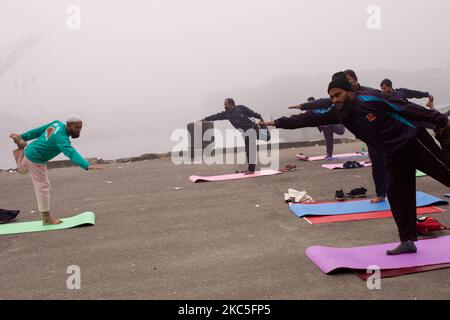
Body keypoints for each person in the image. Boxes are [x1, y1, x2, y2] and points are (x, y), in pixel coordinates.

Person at [260, 72, 450, 256]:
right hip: (393, 153)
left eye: (338, 94)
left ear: (350, 91)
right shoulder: (339, 112)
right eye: (331, 96)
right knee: (397, 194)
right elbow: (310, 118)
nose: (335, 100)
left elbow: (407, 107)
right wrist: (277, 123)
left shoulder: (371, 99)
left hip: (413, 142)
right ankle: (407, 241)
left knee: (446, 174)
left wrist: (440, 120)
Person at [289, 70, 387, 203]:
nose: (348, 83)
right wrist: (303, 106)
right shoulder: (341, 95)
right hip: (371, 137)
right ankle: (381, 193)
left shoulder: (369, 93)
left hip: (385, 133)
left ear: (356, 79)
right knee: (377, 164)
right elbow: (323, 102)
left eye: (349, 80)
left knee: (392, 164)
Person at [9, 115, 101, 225]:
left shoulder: (56, 124)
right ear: (69, 125)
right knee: (43, 186)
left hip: (29, 151)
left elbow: (38, 131)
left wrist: (22, 137)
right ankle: (46, 218)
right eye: (76, 127)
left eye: (80, 127)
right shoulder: (61, 138)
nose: (79, 130)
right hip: (36, 159)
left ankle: (21, 148)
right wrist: (86, 165)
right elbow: (70, 152)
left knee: (22, 171)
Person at [202, 98, 266, 174]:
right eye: (224, 104)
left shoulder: (241, 108)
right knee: (249, 149)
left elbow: (251, 113)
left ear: (231, 104)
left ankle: (264, 127)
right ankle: (251, 170)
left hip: (253, 128)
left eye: (226, 104)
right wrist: (206, 119)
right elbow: (216, 116)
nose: (224, 106)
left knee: (265, 139)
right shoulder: (226, 113)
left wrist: (259, 117)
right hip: (246, 133)